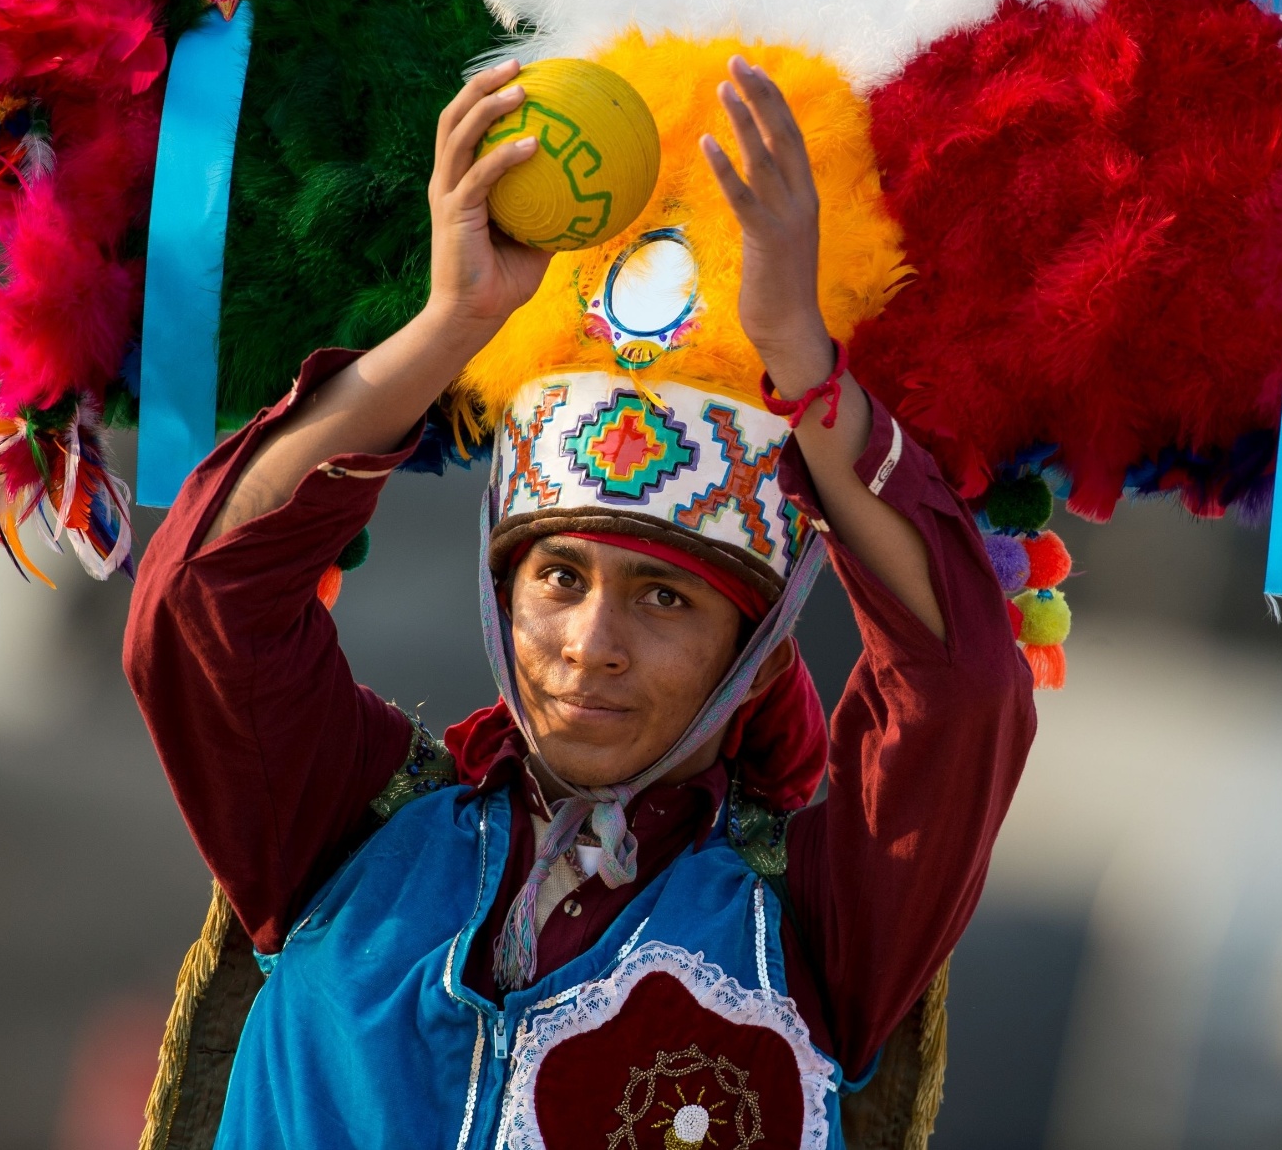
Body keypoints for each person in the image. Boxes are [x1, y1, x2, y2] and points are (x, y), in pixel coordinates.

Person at [125, 56, 1034, 1148]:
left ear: (749, 650)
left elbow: (963, 689)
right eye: (558, 578)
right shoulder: (334, 830)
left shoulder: (815, 927)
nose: (591, 645)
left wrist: (805, 364)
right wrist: (455, 320)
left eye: (664, 598)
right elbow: (200, 599)